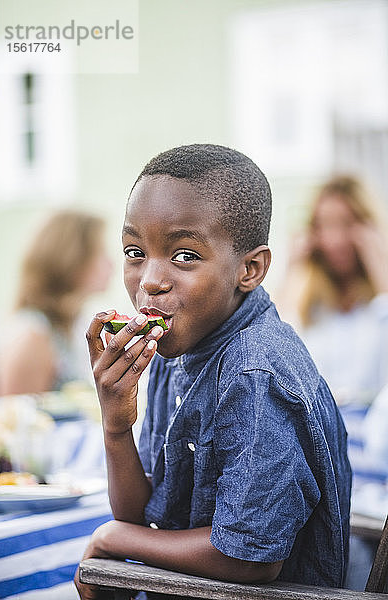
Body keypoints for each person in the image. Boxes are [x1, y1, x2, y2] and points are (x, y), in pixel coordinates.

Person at [75, 144, 351, 599]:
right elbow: (141, 513)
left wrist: (115, 539)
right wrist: (116, 425)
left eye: (184, 255)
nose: (149, 281)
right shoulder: (178, 346)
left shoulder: (254, 375)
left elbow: (249, 558)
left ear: (251, 268)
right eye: (134, 251)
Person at [277, 175, 388, 406]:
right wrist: (293, 269)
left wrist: (379, 264)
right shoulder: (311, 307)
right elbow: (276, 350)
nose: (334, 239)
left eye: (346, 224)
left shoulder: (378, 304)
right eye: (324, 225)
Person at [0, 210, 113, 395]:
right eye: (100, 252)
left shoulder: (72, 325)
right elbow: (16, 419)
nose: (111, 263)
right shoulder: (32, 336)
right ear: (72, 260)